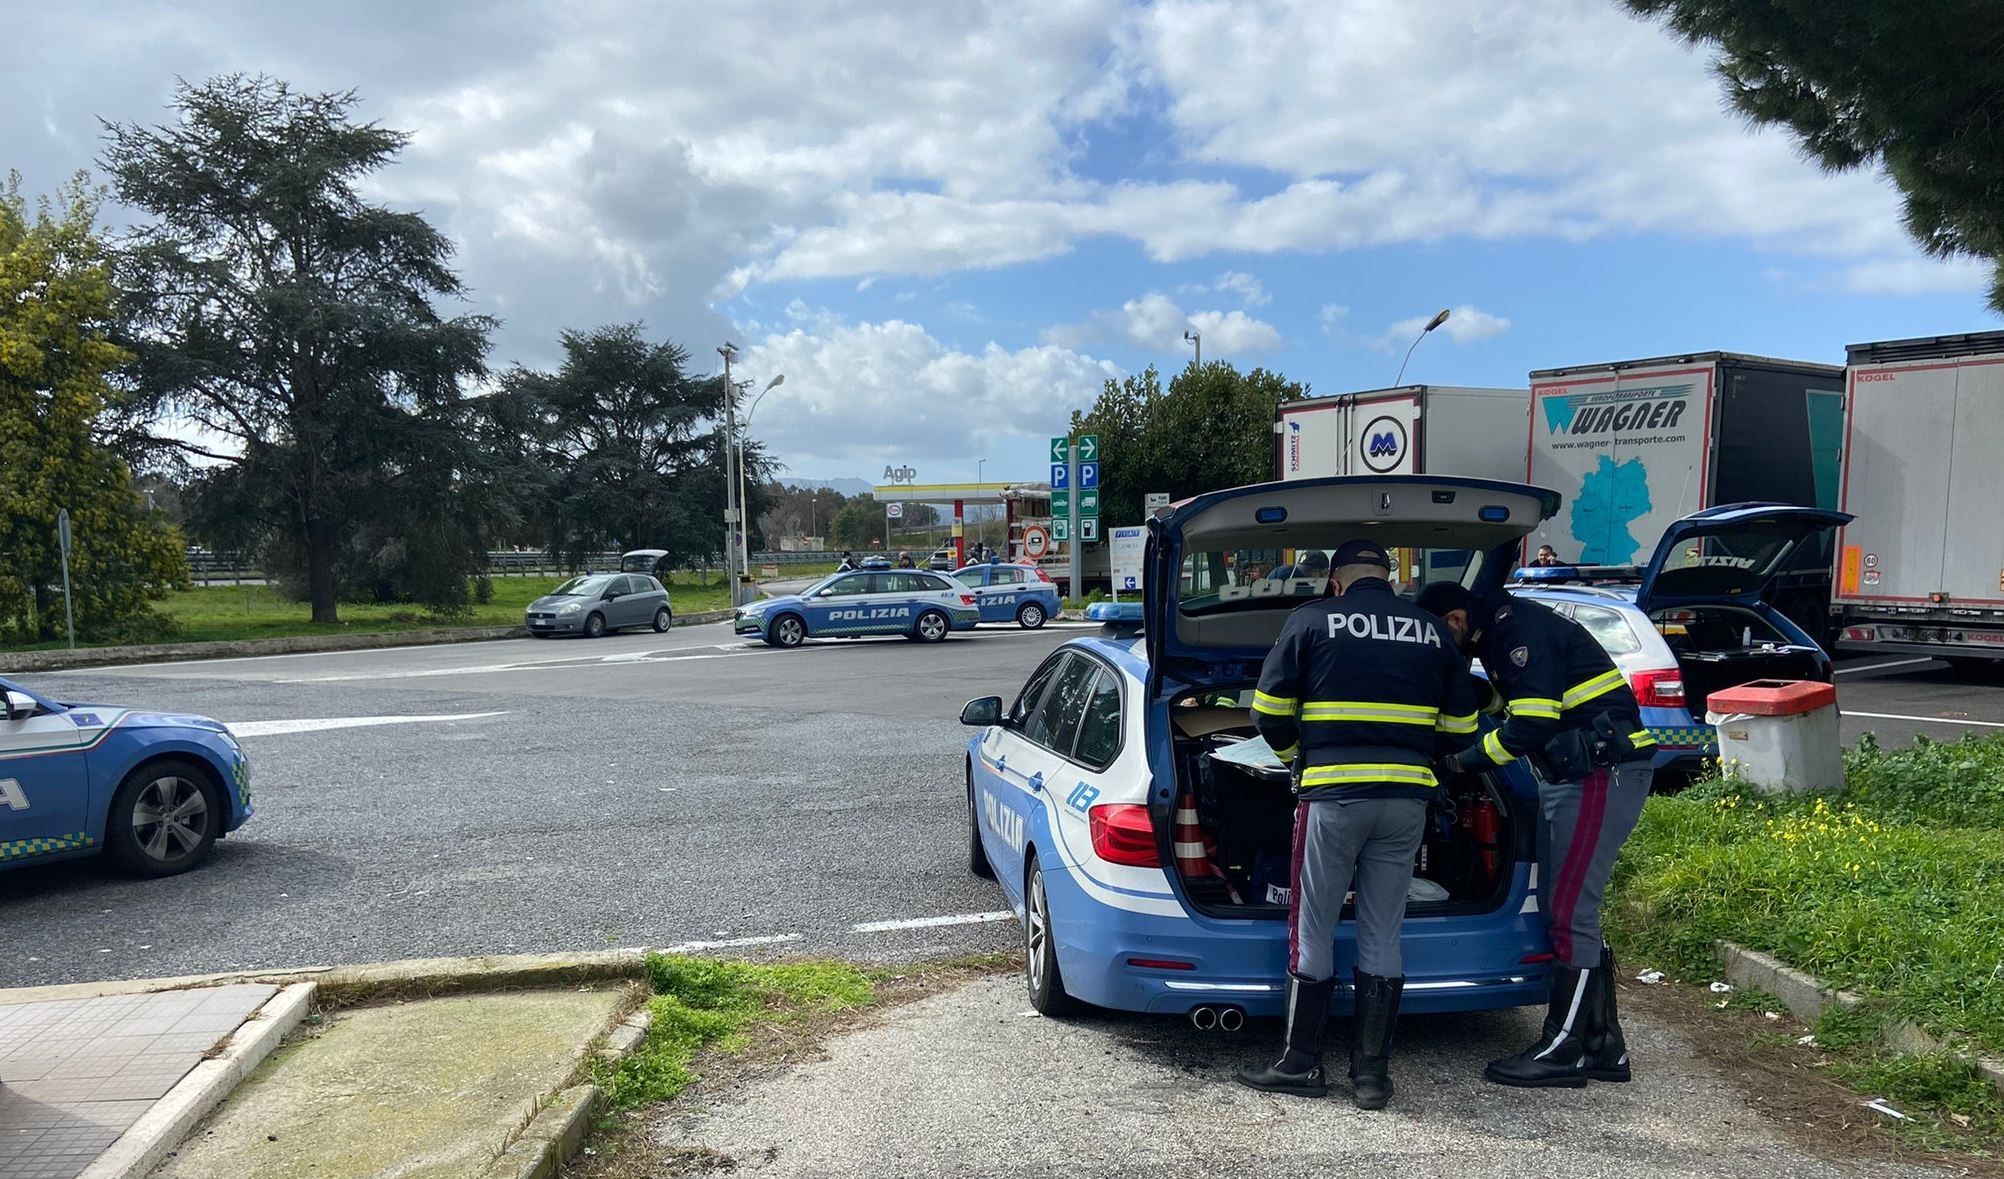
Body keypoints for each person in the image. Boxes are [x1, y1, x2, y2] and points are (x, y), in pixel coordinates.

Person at [1237, 541, 1480, 1109]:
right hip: (1405, 803)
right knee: (1382, 930)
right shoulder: (1431, 631)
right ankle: (1372, 1077)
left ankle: (1301, 1065)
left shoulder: (1312, 621)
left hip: (1335, 797)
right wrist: (1416, 752)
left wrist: (1300, 757)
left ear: (1337, 582)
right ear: (1389, 578)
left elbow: (1268, 712)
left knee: (1314, 925)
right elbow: (1464, 725)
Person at [1414, 581, 1656, 1089]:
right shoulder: (1502, 632)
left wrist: (1463, 762)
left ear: (1455, 619)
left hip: (1597, 773)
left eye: (1440, 634)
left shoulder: (1515, 631)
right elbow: (1506, 702)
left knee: (1571, 910)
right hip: (1579, 773)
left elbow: (1531, 721)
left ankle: (1561, 1050)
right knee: (1560, 905)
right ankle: (1602, 1045)